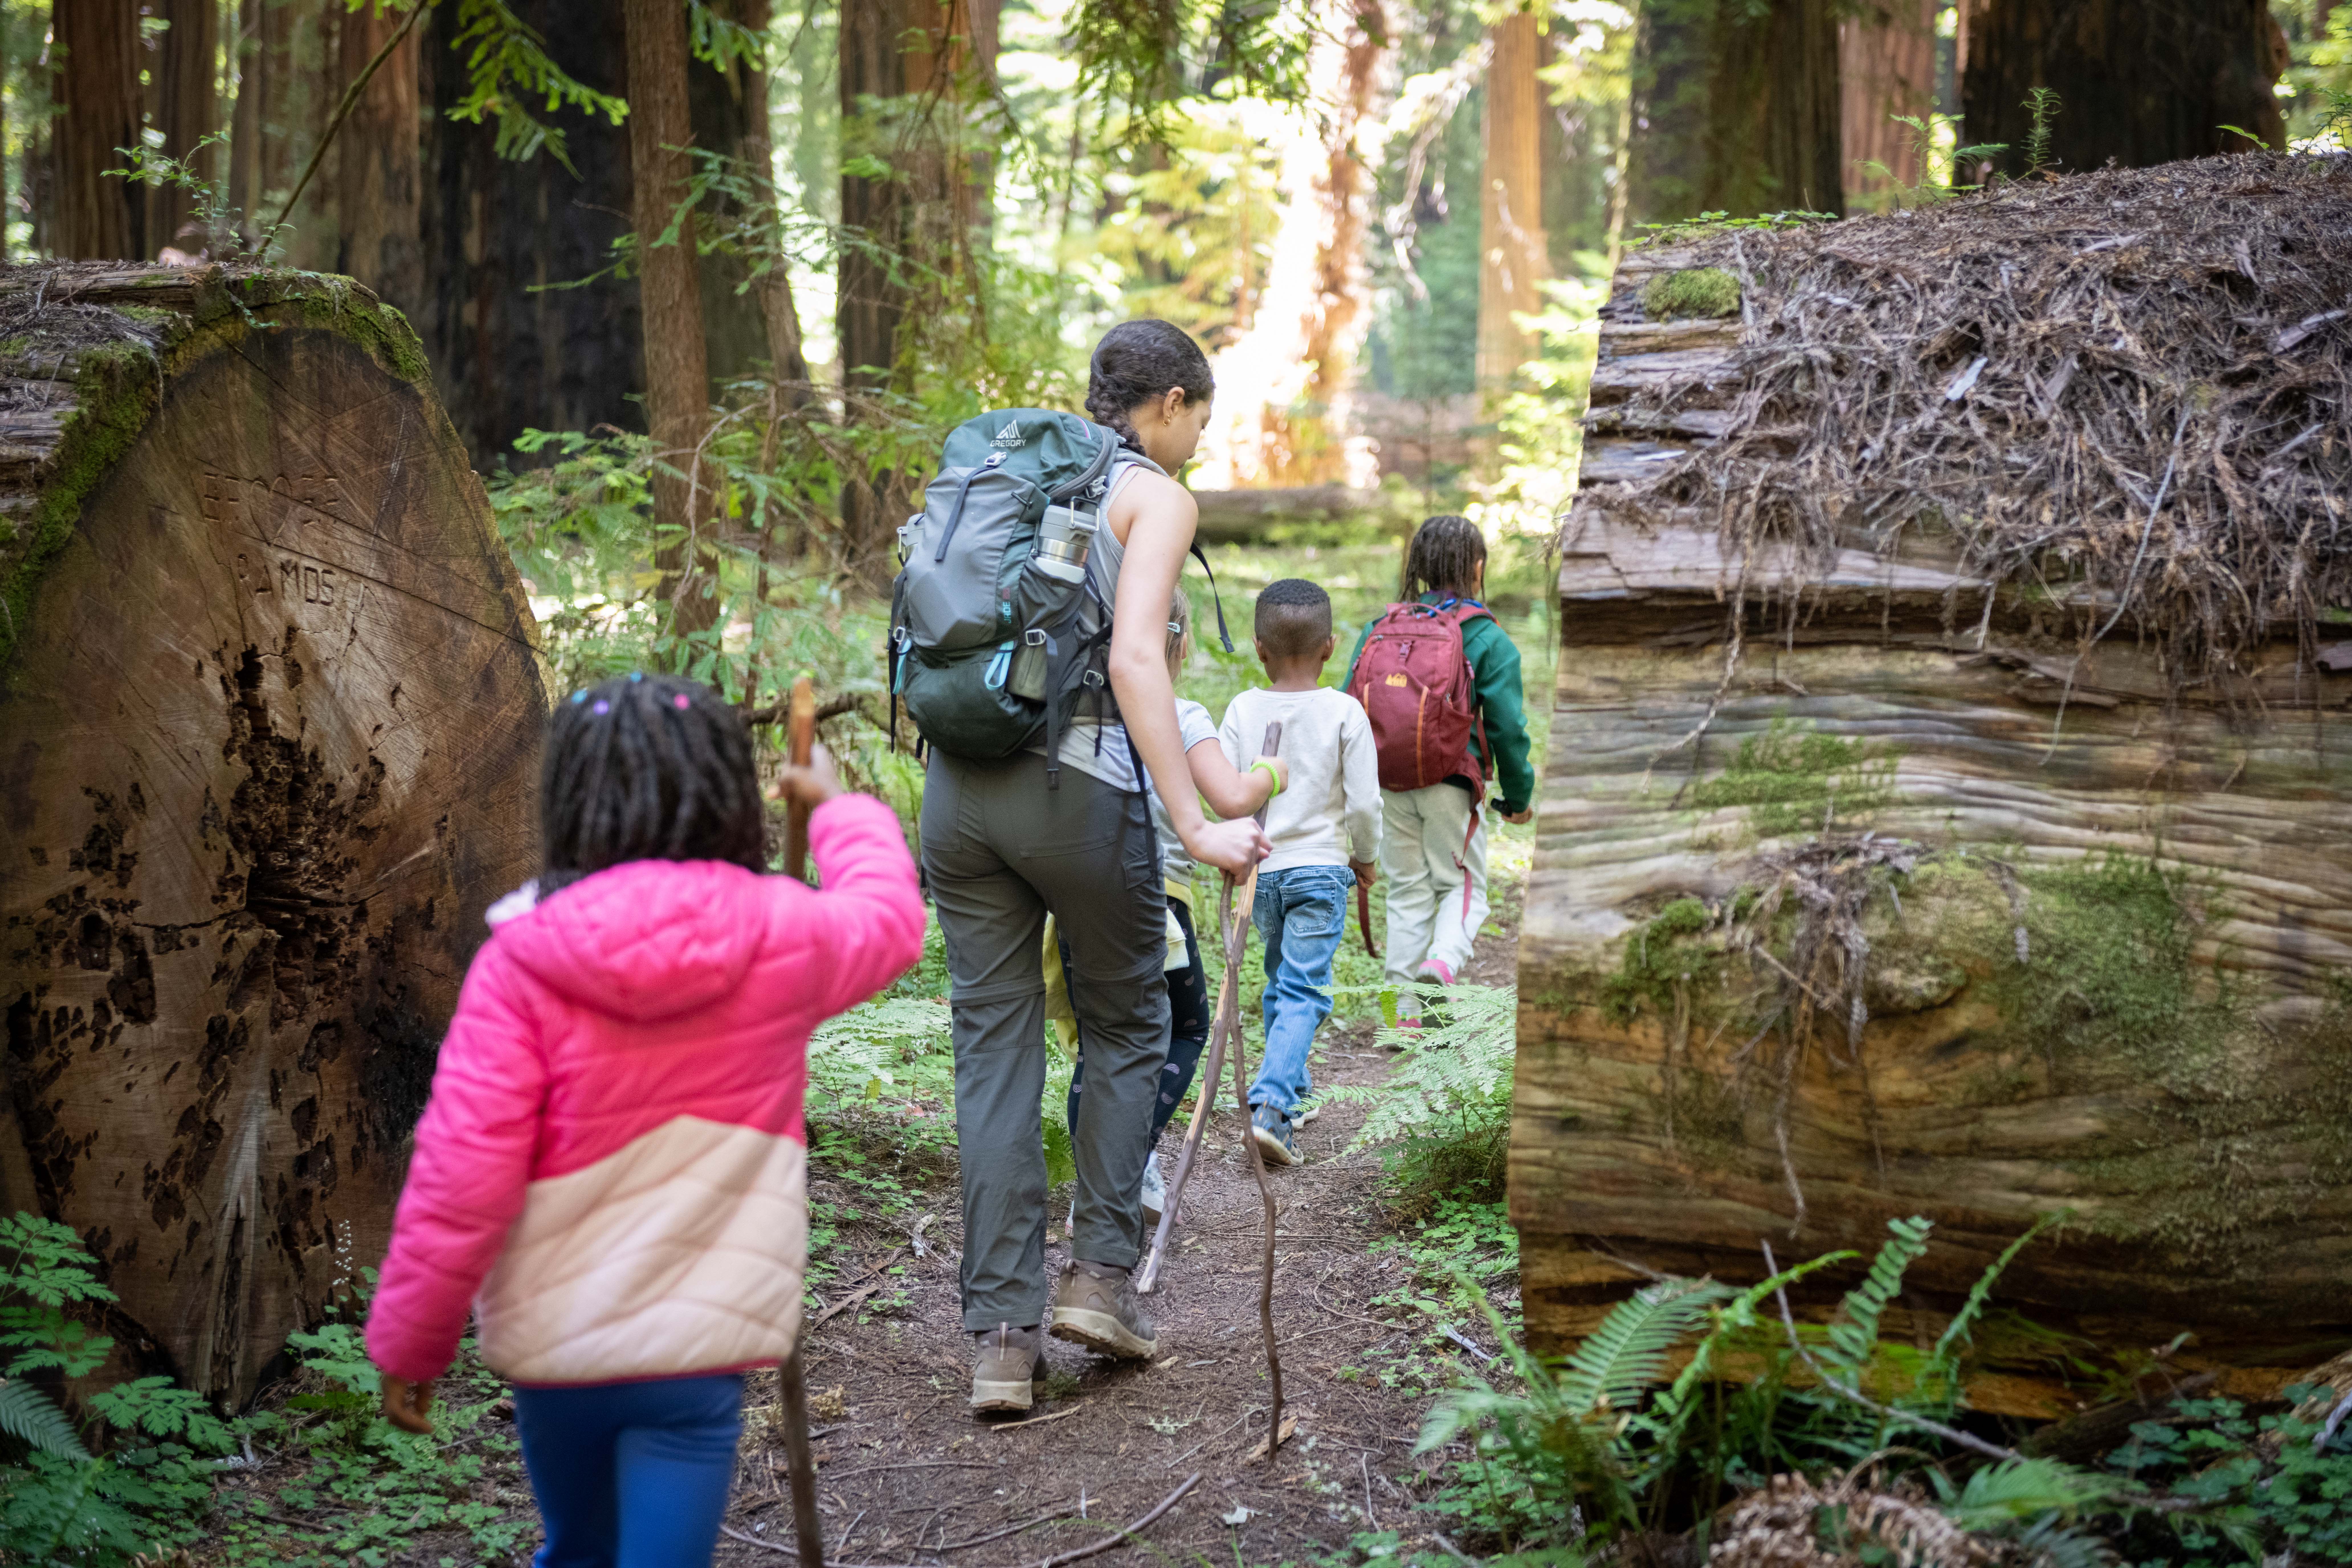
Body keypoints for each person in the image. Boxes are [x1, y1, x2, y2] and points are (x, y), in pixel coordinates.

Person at [364, 672, 925, 1568]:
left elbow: (460, 1176)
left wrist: (412, 1341)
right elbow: (891, 921)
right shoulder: (783, 935)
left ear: (571, 805)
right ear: (728, 799)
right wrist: (838, 809)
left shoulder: (520, 965)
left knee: (578, 1549)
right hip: (695, 1354)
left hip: (558, 1351)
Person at [924, 320, 1273, 1416]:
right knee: (1128, 1025)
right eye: (1197, 423)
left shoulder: (1013, 473)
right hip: (1076, 795)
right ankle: (1099, 1282)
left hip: (958, 787)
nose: (1195, 448)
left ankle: (996, 1342)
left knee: (991, 1054)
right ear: (1166, 403)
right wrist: (1199, 823)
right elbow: (1134, 661)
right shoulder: (1152, 495)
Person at [1057, 587, 1284, 1227]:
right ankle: (1123, 1172)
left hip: (1075, 900)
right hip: (1157, 907)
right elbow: (1232, 797)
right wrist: (1273, 772)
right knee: (1183, 1031)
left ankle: (1096, 1187)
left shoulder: (1075, 712)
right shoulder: (1181, 715)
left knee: (1101, 1046)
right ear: (1180, 641)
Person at [1343, 515, 1535, 1018]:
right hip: (1453, 783)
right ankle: (1443, 965)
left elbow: (1347, 707)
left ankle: (1400, 1016)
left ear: (1419, 568)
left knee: (1407, 892)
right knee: (1462, 887)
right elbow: (1508, 729)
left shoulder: (1378, 630)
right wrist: (1517, 798)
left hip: (1388, 783)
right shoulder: (1488, 639)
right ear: (1476, 568)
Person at [1218, 579, 1381, 1168]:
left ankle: (1296, 1089)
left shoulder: (1241, 709)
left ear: (1259, 648)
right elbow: (1364, 804)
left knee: (1282, 979)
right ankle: (1271, 1107)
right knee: (1303, 987)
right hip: (1320, 873)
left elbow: (1232, 795)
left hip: (1264, 873)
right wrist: (1365, 857)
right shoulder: (1345, 711)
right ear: (1331, 647)